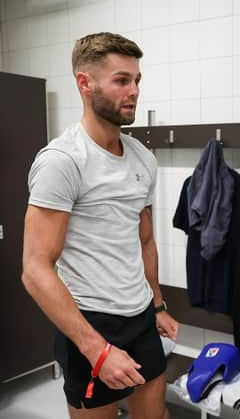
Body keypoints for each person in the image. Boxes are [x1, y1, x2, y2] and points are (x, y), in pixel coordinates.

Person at [22, 32, 179, 418]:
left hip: (140, 315)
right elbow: (35, 269)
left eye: (137, 80)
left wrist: (157, 305)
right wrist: (98, 349)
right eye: (122, 80)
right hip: (89, 321)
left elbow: (144, 240)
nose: (134, 91)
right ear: (84, 83)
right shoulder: (63, 161)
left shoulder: (143, 158)